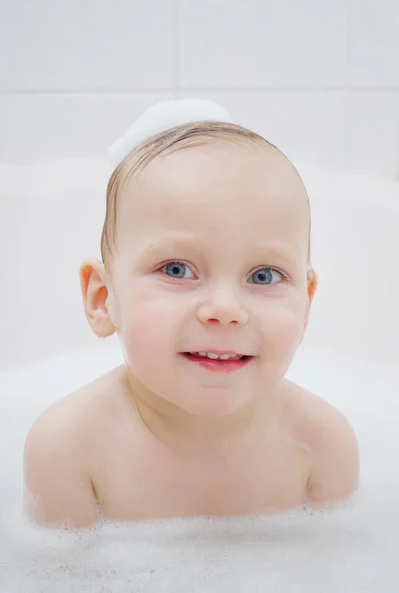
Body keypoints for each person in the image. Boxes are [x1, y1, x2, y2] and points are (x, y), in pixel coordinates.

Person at [23, 99, 359, 529]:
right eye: (177, 269)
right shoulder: (69, 448)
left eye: (264, 275)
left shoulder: (323, 444)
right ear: (102, 298)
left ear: (306, 303)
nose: (225, 309)